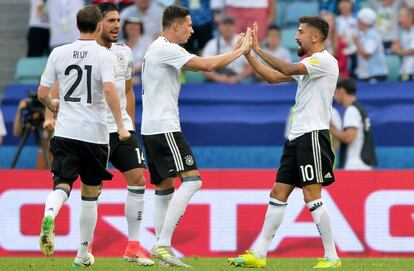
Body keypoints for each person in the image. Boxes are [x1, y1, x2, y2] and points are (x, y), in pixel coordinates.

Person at [141, 4, 251, 267]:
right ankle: (163, 243)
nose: (192, 30)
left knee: (164, 188)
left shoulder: (155, 48)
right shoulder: (167, 48)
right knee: (192, 181)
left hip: (150, 127)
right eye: (188, 25)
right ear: (175, 25)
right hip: (165, 127)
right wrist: (240, 51)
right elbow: (207, 65)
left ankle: (163, 255)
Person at [227, 17, 341, 269]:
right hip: (297, 137)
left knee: (312, 196)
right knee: (278, 193)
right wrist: (247, 55)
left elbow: (286, 70)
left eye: (300, 32)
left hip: (313, 135)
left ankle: (332, 256)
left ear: (315, 37)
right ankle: (259, 254)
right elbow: (273, 77)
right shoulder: (309, 64)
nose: (296, 36)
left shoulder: (324, 61)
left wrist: (256, 48)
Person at [37, 5, 130, 268]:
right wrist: (121, 125)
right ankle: (82, 255)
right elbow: (111, 90)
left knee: (62, 184)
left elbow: (43, 93)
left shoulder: (58, 52)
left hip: (65, 132)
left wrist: (54, 107)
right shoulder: (104, 55)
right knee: (90, 192)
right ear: (99, 25)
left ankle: (50, 213)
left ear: (77, 26)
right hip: (94, 134)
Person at [330, 78, 377, 170]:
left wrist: (329, 128)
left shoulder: (352, 110)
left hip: (355, 164)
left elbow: (349, 137)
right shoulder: (359, 108)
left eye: (335, 92)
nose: (334, 96)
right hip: (362, 164)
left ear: (342, 90)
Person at [202, 15, 253, 83]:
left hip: (239, 79)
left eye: (231, 24)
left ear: (235, 27)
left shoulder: (244, 42)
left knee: (248, 81)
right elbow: (203, 66)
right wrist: (218, 78)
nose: (228, 27)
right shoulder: (212, 44)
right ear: (219, 27)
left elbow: (251, 66)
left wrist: (237, 78)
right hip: (216, 80)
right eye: (225, 24)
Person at [13, 95, 51, 169]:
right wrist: (20, 111)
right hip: (43, 155)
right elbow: (17, 132)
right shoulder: (36, 116)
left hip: (55, 151)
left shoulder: (55, 106)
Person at [353, 7, 388, 82]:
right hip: (367, 74)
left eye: (359, 19)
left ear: (364, 21)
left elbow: (367, 55)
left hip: (375, 74)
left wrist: (356, 42)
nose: (357, 21)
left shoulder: (372, 35)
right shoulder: (364, 34)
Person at [121, 17, 152, 85]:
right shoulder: (119, 45)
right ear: (125, 27)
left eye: (136, 24)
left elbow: (150, 63)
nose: (132, 26)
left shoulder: (147, 42)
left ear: (140, 28)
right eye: (129, 24)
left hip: (143, 77)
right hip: (123, 78)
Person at [391, 6, 414, 81]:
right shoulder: (402, 31)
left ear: (410, 17)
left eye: (401, 16)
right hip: (404, 70)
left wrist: (398, 51)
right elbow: (394, 49)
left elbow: (412, 51)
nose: (399, 19)